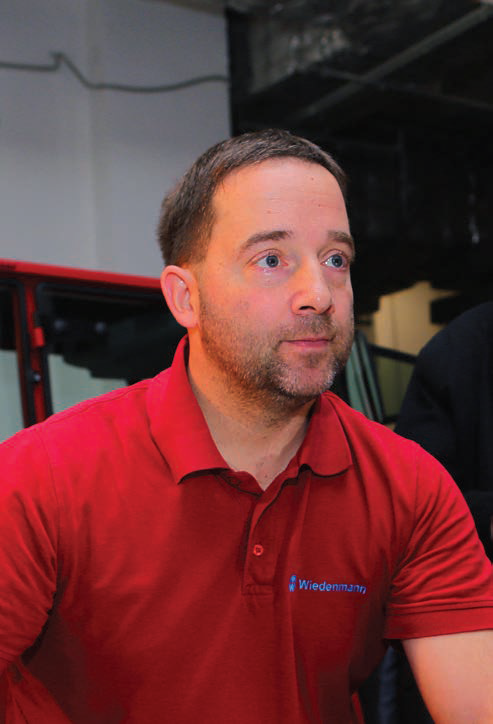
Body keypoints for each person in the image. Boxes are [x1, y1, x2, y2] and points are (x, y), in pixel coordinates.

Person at [0, 130, 492, 724]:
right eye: (271, 260)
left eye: (335, 260)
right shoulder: (39, 479)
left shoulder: (410, 488)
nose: (319, 294)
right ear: (186, 298)